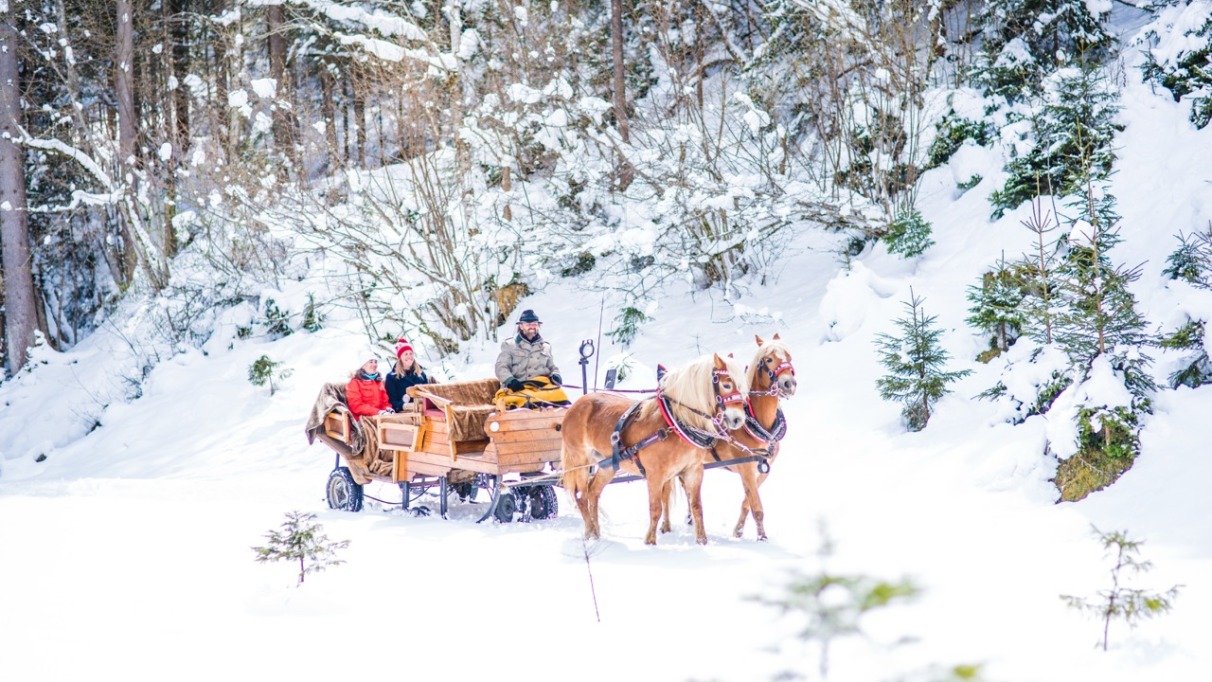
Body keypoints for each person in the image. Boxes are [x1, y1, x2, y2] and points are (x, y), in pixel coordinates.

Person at [495, 308, 562, 391]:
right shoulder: (509, 344)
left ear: (538, 325)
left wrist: (556, 375)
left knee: (563, 401)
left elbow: (552, 367)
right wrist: (510, 381)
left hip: (543, 388)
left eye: (534, 324)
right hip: (518, 388)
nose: (532, 326)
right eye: (528, 324)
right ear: (521, 326)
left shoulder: (546, 346)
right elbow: (501, 367)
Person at [385, 337, 434, 411]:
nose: (409, 356)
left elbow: (428, 394)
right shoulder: (392, 377)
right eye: (406, 354)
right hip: (405, 411)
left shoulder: (421, 374)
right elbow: (393, 402)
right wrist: (405, 405)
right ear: (400, 357)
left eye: (411, 353)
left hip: (423, 409)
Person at [346, 349, 392, 420]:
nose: (374, 364)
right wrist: (377, 412)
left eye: (375, 362)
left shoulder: (378, 381)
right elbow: (356, 406)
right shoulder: (355, 383)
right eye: (371, 362)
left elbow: (385, 402)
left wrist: (388, 409)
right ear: (363, 365)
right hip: (363, 418)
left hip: (379, 416)